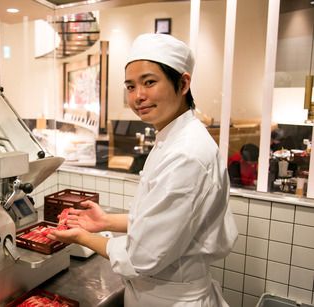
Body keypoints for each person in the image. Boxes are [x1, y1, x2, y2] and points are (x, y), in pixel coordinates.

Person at [48, 33, 238, 306]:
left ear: (183, 83)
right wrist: (106, 221)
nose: (138, 96)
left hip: (171, 299)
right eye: (130, 86)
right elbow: (162, 218)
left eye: (149, 82)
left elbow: (143, 255)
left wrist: (83, 237)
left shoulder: (186, 154)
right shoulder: (172, 138)